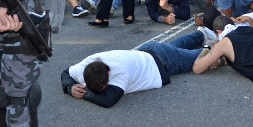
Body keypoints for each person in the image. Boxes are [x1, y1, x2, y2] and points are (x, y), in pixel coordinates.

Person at [60, 29, 214, 108]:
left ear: (108, 73)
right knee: (175, 47)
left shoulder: (119, 71)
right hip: (147, 51)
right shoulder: (84, 65)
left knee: (199, 58)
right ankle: (200, 34)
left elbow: (108, 100)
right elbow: (66, 73)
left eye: (103, 87)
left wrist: (83, 93)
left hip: (163, 61)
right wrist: (70, 86)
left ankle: (219, 44)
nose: (104, 90)